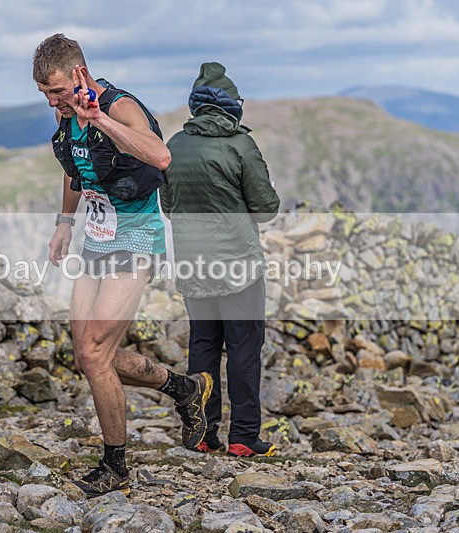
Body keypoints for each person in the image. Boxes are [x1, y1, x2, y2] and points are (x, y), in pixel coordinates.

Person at [32, 34, 213, 497]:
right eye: (45, 95)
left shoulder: (119, 106)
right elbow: (76, 169)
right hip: (96, 238)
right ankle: (185, 389)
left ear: (78, 75)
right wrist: (64, 224)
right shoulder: (65, 113)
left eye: (57, 91)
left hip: (136, 238)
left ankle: (115, 465)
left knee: (94, 353)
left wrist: (100, 120)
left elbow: (160, 156)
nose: (53, 102)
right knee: (89, 357)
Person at [160, 62, 280, 457]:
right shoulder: (240, 145)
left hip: (193, 266)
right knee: (244, 349)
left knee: (204, 347)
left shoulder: (174, 146)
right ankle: (244, 438)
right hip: (239, 266)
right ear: (231, 105)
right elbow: (265, 209)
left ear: (196, 105)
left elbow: (167, 205)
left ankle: (204, 434)